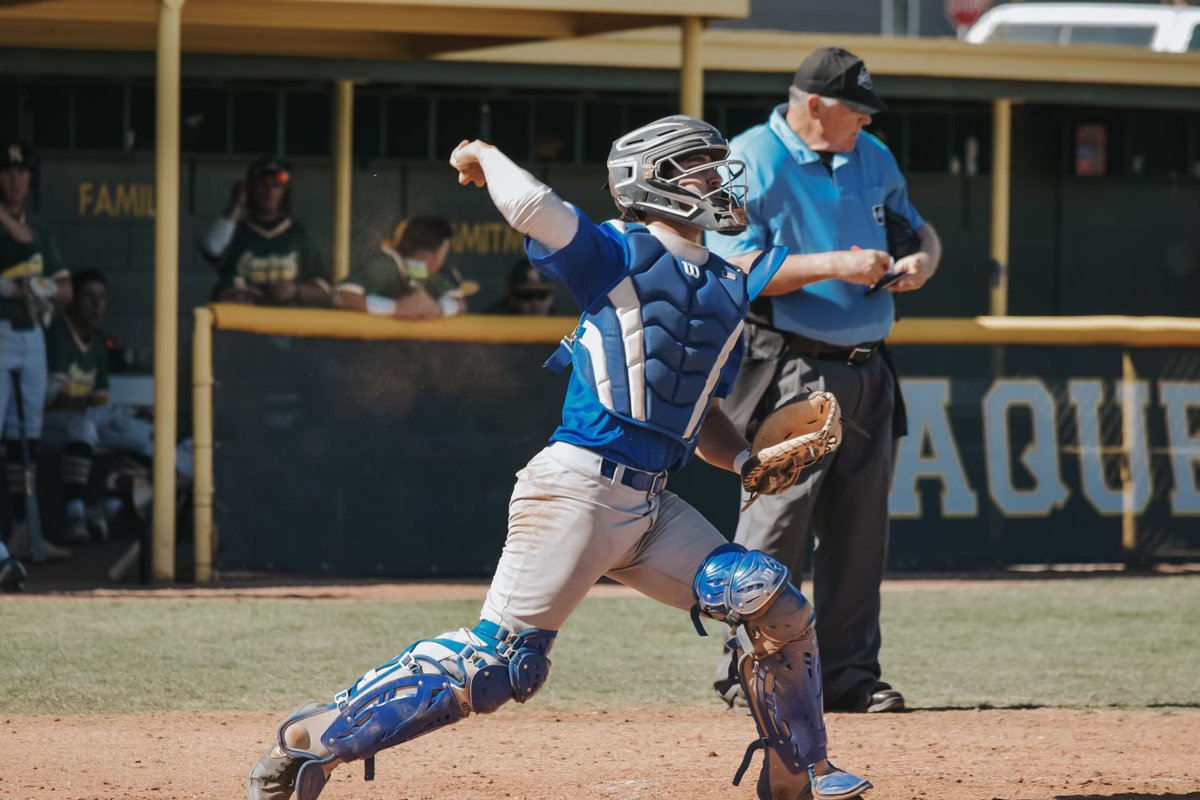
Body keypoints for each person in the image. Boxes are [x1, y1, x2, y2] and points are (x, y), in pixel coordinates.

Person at [245, 115, 871, 800]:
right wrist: (485, 152)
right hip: (576, 488)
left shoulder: (725, 285)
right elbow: (538, 210)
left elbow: (705, 417)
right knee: (500, 665)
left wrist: (748, 460)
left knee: (774, 604)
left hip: (652, 505)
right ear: (655, 179)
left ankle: (796, 780)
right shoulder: (618, 251)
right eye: (698, 165)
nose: (718, 179)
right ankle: (316, 739)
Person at [706, 47, 943, 715]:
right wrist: (836, 263)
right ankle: (749, 671)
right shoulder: (750, 156)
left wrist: (922, 260)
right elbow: (737, 268)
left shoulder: (874, 157)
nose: (865, 121)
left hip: (869, 365)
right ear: (814, 105)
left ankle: (847, 676)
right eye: (856, 110)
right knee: (773, 530)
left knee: (860, 535)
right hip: (790, 363)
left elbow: (918, 231)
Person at [42, 270, 154, 544]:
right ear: (73, 301)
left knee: (148, 436)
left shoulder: (99, 342)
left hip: (87, 419)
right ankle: (75, 513)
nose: (97, 305)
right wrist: (89, 406)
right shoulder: (57, 335)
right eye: (88, 297)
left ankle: (107, 505)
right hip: (49, 421)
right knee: (84, 424)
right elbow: (54, 397)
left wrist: (122, 417)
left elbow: (101, 398)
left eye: (102, 297)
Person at [0, 141, 73, 562]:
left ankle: (26, 529)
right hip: (0, 331)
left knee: (26, 435)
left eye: (22, 172)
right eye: (8, 172)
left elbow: (66, 289)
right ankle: (6, 530)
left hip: (32, 335)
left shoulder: (40, 225)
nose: (15, 179)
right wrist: (7, 287)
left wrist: (40, 287)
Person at [201, 158, 331, 307]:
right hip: (241, 324)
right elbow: (212, 248)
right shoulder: (235, 231)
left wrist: (296, 290)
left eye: (277, 186)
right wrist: (236, 204)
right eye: (263, 184)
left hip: (285, 323)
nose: (270, 192)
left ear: (285, 191)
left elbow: (325, 289)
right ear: (249, 188)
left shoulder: (298, 234)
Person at [333, 216, 473, 318]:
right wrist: (395, 308)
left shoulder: (427, 274)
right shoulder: (385, 267)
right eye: (442, 254)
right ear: (425, 255)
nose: (442, 261)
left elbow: (459, 303)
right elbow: (341, 297)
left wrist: (438, 308)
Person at [486, 257, 557, 316]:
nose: (535, 303)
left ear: (551, 300)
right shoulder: (494, 328)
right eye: (526, 296)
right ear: (512, 300)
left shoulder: (564, 328)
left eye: (542, 296)